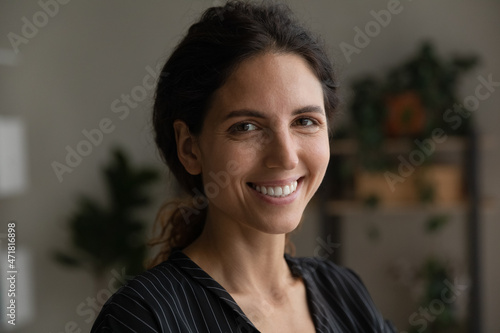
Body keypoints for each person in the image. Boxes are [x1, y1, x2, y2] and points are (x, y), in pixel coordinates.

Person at [91, 1, 397, 332]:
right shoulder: (143, 318)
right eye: (246, 127)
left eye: (305, 121)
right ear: (189, 147)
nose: (286, 156)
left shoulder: (343, 292)